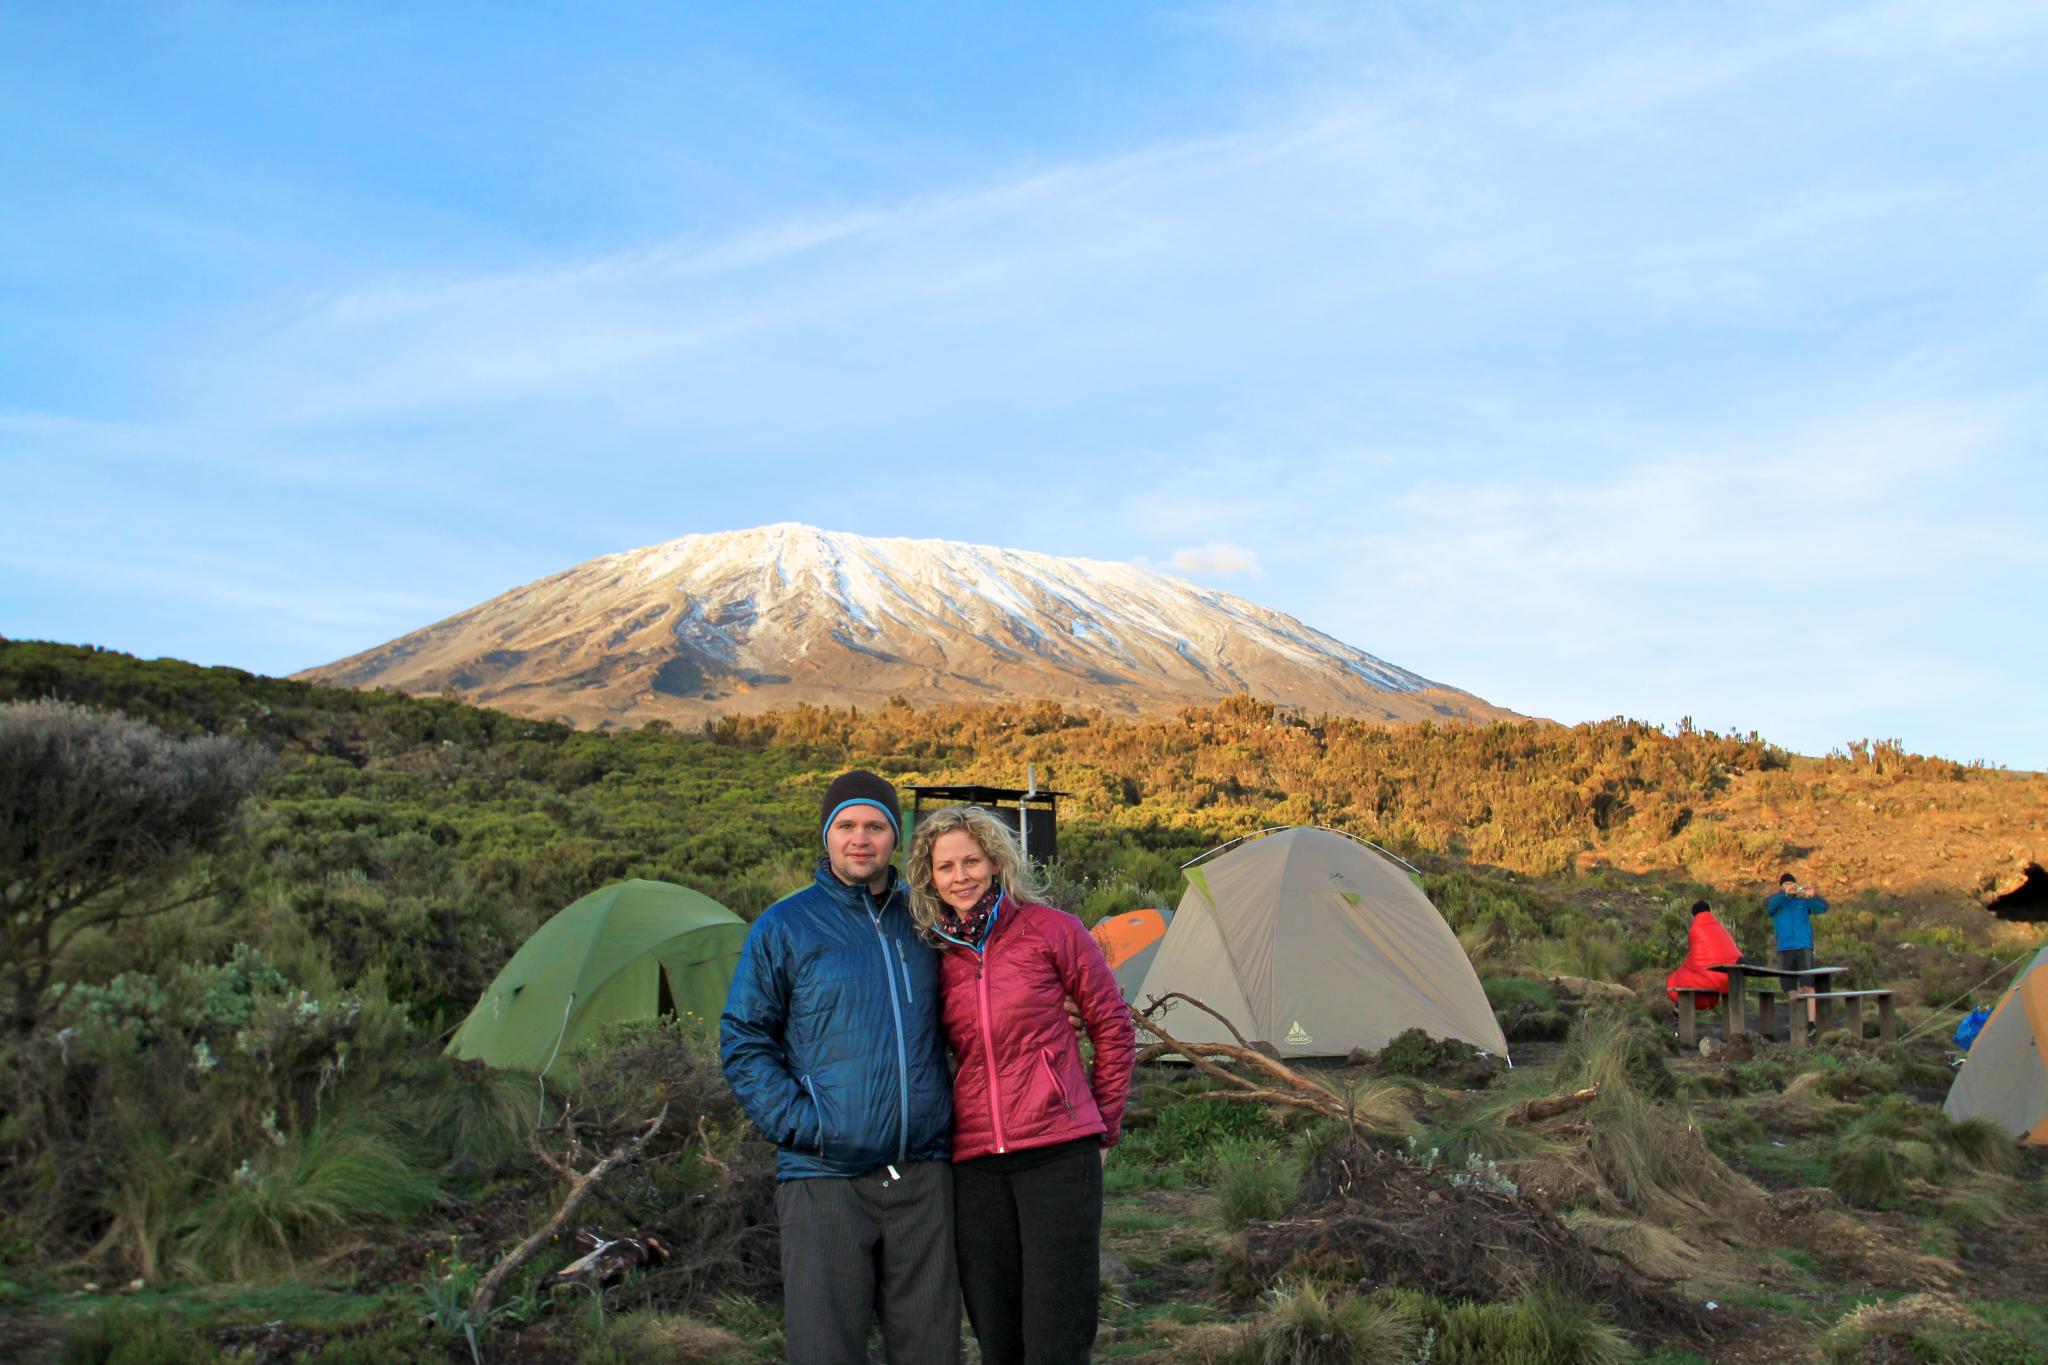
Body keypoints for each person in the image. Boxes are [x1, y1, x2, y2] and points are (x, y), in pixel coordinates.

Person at [720, 771, 960, 1365]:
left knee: (931, 1348)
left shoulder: (926, 921)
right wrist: (809, 1127)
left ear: (894, 838)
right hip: (824, 1179)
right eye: (847, 826)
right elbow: (745, 1039)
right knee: (826, 1348)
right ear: (826, 836)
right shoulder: (785, 926)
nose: (861, 839)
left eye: (875, 826)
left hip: (923, 1173)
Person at [906, 805, 1135, 1365]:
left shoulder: (1052, 930)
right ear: (928, 878)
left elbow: (1112, 1024)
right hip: (976, 1161)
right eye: (945, 867)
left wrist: (1100, 1124)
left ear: (996, 861)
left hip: (1057, 1151)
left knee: (1057, 1333)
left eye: (971, 861)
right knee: (997, 1334)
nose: (960, 876)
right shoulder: (932, 953)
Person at [1766, 872, 1830, 1021]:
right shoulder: (1777, 902)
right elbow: (1769, 907)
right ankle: (1797, 1020)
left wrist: (1813, 895)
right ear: (1781, 887)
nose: (1790, 887)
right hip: (1785, 948)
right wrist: (1784, 895)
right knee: (1789, 987)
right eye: (1786, 884)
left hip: (1803, 947)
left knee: (1807, 983)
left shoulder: (1802, 902)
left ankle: (1811, 1022)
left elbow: (1823, 907)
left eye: (1792, 884)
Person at [1665, 899, 1742, 1010]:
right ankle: (1685, 1007)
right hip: (1731, 978)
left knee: (1678, 978)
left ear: (1694, 915)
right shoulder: (1722, 929)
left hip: (1712, 977)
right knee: (1690, 975)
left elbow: (1695, 957)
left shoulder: (1695, 929)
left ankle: (1682, 1009)